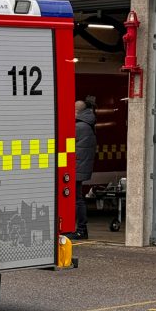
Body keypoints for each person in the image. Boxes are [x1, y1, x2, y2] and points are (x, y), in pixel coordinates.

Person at [70, 98, 97, 239]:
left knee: (76, 200)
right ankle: (81, 229)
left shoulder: (79, 126)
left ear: (76, 111)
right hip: (81, 166)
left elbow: (65, 143)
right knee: (77, 198)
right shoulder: (88, 124)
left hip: (76, 167)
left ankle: (81, 229)